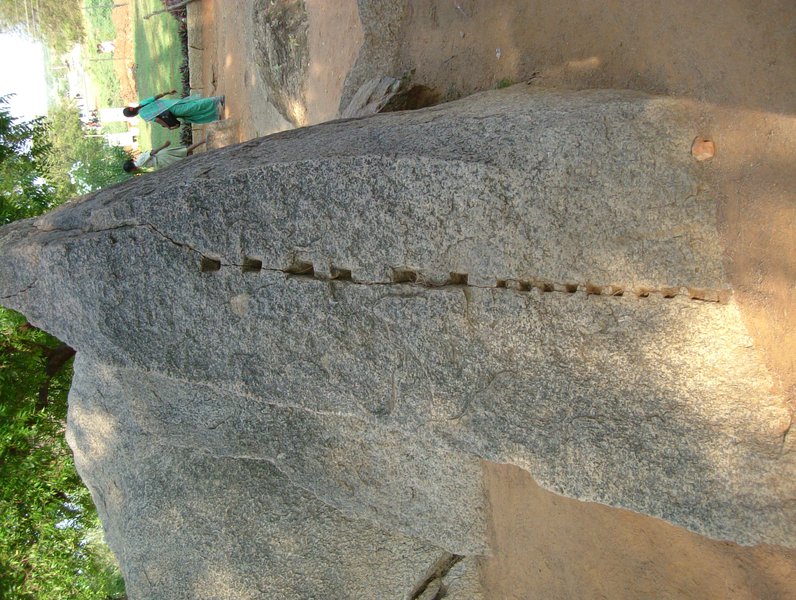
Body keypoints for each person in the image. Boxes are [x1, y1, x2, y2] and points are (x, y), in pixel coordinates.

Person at [123, 90, 225, 128]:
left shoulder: (143, 115)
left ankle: (217, 100)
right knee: (193, 113)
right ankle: (216, 114)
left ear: (132, 115)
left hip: (172, 111)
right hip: (171, 104)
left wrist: (168, 126)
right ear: (131, 108)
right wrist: (168, 93)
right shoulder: (142, 103)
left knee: (194, 107)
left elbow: (157, 120)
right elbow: (156, 97)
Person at [122, 140, 206, 173]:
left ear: (132, 169)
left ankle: (202, 141)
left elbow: (152, 152)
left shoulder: (140, 162)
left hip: (163, 158)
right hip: (162, 156)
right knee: (185, 153)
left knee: (185, 153)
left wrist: (164, 145)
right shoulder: (139, 161)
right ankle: (202, 143)